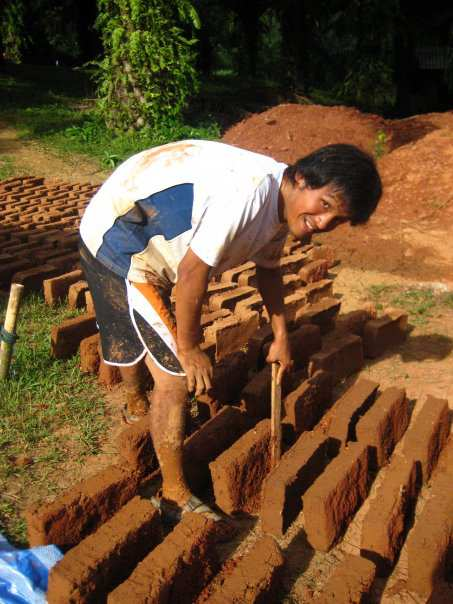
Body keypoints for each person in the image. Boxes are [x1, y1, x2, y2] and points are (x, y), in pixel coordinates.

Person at [79, 139, 382, 519]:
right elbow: (193, 273)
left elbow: (268, 271)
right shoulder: (248, 194)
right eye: (324, 206)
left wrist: (282, 336)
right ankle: (172, 492)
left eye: (337, 220)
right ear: (302, 178)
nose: (323, 223)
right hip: (120, 245)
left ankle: (136, 400)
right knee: (174, 378)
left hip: (144, 238)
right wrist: (189, 349)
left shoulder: (281, 205)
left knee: (139, 329)